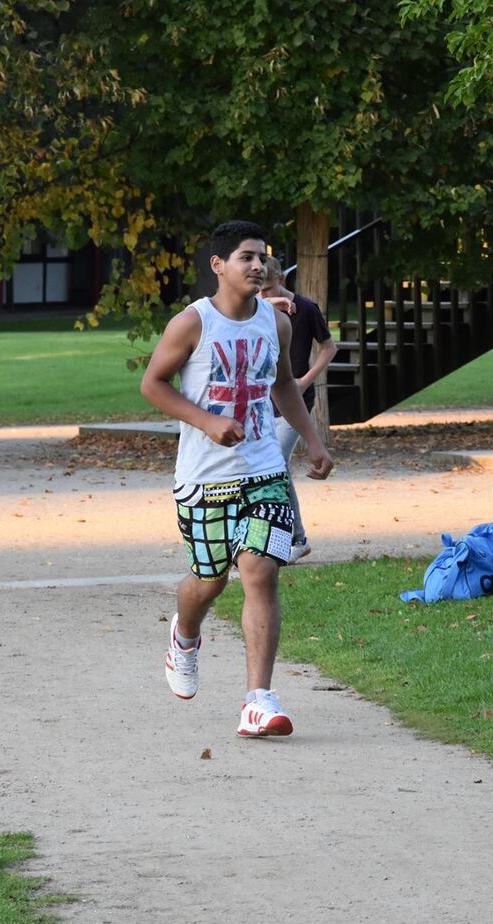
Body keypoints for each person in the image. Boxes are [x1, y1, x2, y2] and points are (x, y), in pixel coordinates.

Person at [140, 220, 334, 738]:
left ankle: (258, 701)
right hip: (203, 478)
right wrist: (205, 421)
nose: (258, 266)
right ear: (218, 265)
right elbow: (152, 384)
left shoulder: (278, 324)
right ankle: (184, 636)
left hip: (264, 471)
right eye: (246, 256)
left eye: (264, 257)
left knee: (259, 571)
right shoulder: (192, 323)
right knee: (210, 580)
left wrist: (312, 441)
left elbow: (285, 386)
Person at [260, 255, 337, 562]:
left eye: (267, 288)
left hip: (295, 401)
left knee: (276, 462)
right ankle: (280, 535)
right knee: (272, 467)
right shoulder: (257, 310)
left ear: (282, 281)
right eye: (258, 291)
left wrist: (305, 379)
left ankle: (297, 537)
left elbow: (329, 347)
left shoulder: (305, 309)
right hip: (263, 401)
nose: (262, 296)